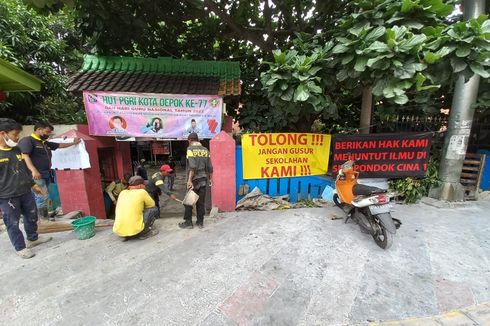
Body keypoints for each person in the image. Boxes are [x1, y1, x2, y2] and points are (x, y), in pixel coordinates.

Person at [0, 118, 52, 259]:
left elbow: (23, 170)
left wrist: (33, 185)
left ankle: (33, 239)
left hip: (25, 191)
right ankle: (20, 247)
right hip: (7, 196)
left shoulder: (16, 150)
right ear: (3, 133)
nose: (17, 138)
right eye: (14, 134)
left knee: (31, 216)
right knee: (13, 222)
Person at [18, 122, 81, 221]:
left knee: (44, 196)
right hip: (36, 176)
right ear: (39, 129)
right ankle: (43, 220)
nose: (48, 134)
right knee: (41, 197)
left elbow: (59, 145)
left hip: (45, 174)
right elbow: (25, 156)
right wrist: (34, 171)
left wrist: (73, 142)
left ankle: (42, 217)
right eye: (47, 132)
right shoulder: (28, 141)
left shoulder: (44, 143)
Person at [179, 132, 213, 229]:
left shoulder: (190, 149)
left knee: (188, 201)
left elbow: (192, 167)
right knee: (200, 202)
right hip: (203, 179)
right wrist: (210, 179)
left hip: (194, 179)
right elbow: (210, 167)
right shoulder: (205, 150)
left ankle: (188, 223)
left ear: (190, 140)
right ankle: (200, 222)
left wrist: (189, 180)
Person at [113, 176, 160, 241]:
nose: (145, 187)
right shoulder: (142, 192)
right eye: (144, 185)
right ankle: (144, 233)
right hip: (135, 230)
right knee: (154, 209)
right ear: (140, 186)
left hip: (119, 231)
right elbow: (152, 204)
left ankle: (126, 233)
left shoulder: (122, 192)